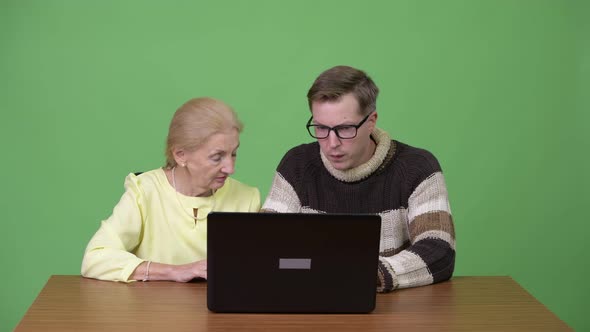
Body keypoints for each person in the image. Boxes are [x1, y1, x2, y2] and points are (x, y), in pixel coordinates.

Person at [262, 66, 455, 292]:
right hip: (311, 304)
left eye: (344, 129)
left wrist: (364, 274)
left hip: (389, 311)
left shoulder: (418, 167)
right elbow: (265, 247)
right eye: (321, 128)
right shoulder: (297, 165)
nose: (332, 143)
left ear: (371, 121)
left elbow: (439, 251)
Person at [81, 97, 260, 282]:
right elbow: (95, 258)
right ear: (180, 155)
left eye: (234, 154)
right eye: (217, 157)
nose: (230, 168)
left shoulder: (248, 199)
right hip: (152, 309)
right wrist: (174, 271)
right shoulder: (145, 191)